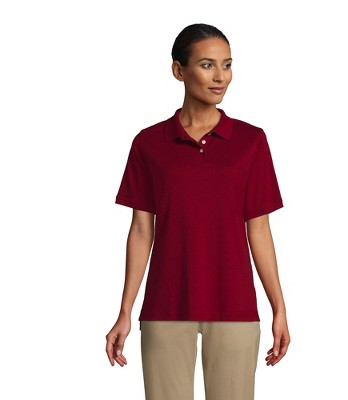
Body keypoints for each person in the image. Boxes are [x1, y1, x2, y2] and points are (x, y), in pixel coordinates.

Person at [105, 23, 290, 400]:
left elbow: (259, 230)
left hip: (235, 305)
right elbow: (141, 230)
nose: (220, 76)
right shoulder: (149, 143)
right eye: (207, 65)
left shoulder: (251, 142)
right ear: (179, 70)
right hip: (165, 304)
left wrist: (279, 308)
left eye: (227, 64)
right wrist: (125, 310)